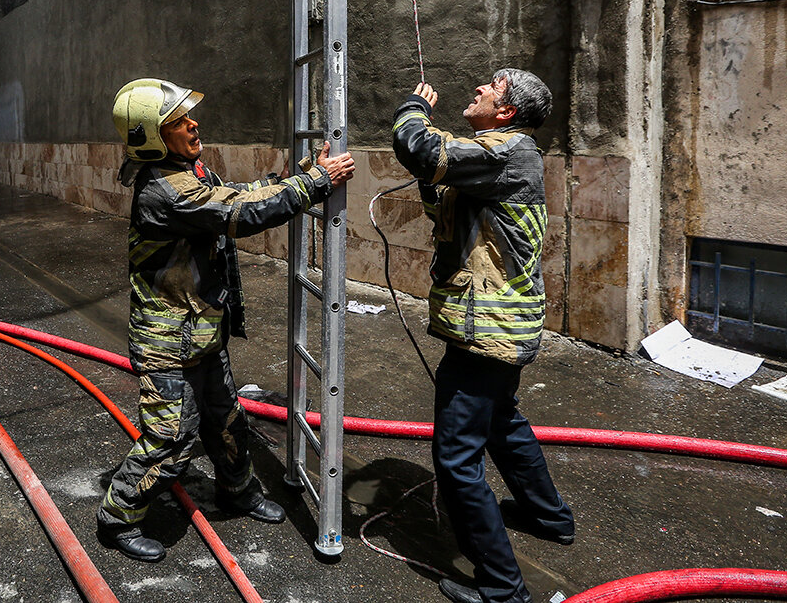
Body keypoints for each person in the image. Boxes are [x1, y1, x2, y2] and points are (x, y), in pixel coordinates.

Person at [98, 78, 355, 562]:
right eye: (178, 121)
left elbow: (241, 191)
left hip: (201, 331)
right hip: (167, 343)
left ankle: (237, 492)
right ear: (153, 136)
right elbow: (240, 212)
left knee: (227, 422)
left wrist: (306, 170)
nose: (193, 124)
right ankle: (118, 516)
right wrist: (319, 182)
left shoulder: (186, 170)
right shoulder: (163, 190)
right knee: (172, 439)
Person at [392, 69, 573, 603]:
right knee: (501, 422)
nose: (477, 87)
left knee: (455, 456)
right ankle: (549, 517)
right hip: (499, 325)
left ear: (507, 111)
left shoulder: (506, 151)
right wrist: (434, 181)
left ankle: (502, 589)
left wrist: (412, 108)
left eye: (491, 86)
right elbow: (444, 206)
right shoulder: (498, 158)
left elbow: (422, 151)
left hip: (487, 329)